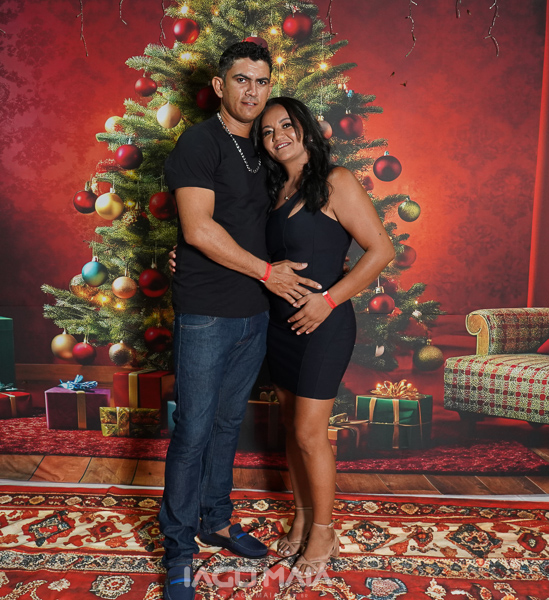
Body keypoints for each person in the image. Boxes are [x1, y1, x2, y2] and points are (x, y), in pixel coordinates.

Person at [159, 43, 320, 600]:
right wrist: (265, 273)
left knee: (228, 424)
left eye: (261, 80)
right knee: (194, 430)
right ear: (219, 85)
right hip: (208, 312)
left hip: (256, 314)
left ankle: (217, 520)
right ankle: (178, 549)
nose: (252, 91)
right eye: (241, 79)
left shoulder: (266, 148)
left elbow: (291, 215)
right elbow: (199, 228)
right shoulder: (199, 143)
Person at [253, 97, 394, 577]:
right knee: (292, 428)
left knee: (309, 433)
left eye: (285, 125)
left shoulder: (336, 181)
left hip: (324, 325)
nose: (278, 137)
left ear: (305, 127)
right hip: (281, 326)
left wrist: (328, 300)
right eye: (267, 132)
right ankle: (301, 516)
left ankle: (324, 530)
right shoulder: (274, 189)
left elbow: (381, 250)